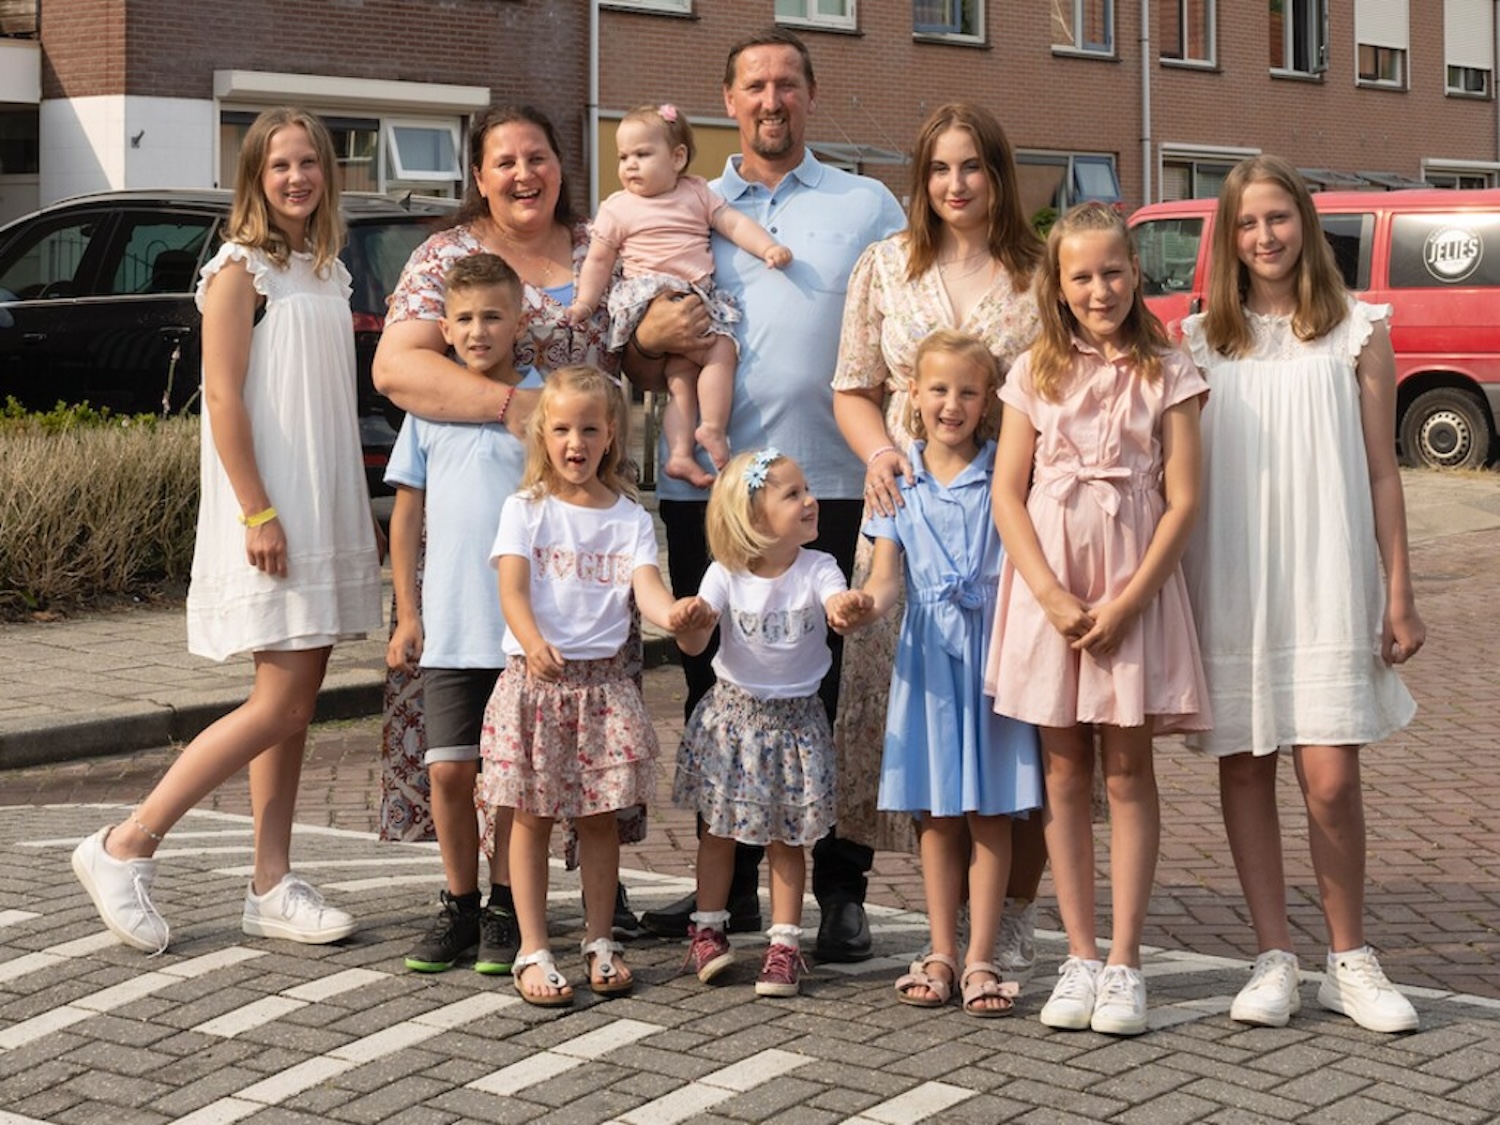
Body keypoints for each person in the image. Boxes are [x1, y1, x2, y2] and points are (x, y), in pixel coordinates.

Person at [71, 107, 382, 952]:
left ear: (327, 173)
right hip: (271, 509)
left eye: (308, 163)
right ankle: (126, 842)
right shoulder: (240, 270)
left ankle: (270, 883)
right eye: (280, 165)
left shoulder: (327, 270)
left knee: (294, 707)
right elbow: (222, 397)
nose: (296, 178)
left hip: (320, 505)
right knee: (280, 702)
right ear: (254, 177)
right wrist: (258, 509)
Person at [633, 26, 906, 962]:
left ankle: (840, 890)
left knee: (837, 696)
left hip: (836, 483)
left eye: (788, 83)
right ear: (729, 101)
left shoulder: (865, 203)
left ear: (811, 96)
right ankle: (732, 885)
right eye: (754, 85)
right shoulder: (683, 202)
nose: (772, 99)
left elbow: (900, 331)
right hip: (713, 496)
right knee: (716, 686)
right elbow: (638, 351)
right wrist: (645, 339)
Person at [373, 104, 641, 935]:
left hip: (582, 545)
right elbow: (395, 368)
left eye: (538, 157)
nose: (524, 174)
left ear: (561, 165)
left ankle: (591, 896)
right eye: (504, 161)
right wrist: (511, 407)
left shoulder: (605, 243)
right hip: (468, 575)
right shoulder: (446, 257)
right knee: (472, 756)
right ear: (479, 177)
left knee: (578, 732)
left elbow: (648, 337)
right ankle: (478, 900)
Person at [1182, 155, 1424, 1034]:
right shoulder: (1199, 342)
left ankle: (1348, 959)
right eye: (1247, 223)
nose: (1265, 236)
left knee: (1329, 775)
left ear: (1306, 224)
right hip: (1234, 575)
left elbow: (1383, 472)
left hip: (1327, 574)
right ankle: (1273, 955)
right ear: (1228, 238)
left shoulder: (1359, 330)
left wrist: (1400, 591)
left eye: (1278, 217)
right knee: (1246, 763)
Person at [829, 102, 1048, 980]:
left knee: (1020, 734)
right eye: (940, 168)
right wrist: (881, 452)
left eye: (973, 166)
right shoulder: (886, 265)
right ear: (921, 179)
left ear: (998, 173)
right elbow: (852, 386)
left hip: (1011, 526)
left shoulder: (1038, 273)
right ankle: (942, 933)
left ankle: (1011, 918)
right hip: (910, 516)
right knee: (920, 732)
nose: (956, 185)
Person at [989, 202, 1211, 1036]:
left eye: (1113, 271)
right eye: (1080, 275)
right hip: (1053, 594)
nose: (1099, 289)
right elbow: (1008, 493)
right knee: (1062, 771)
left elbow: (1184, 499)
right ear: (1057, 282)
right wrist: (1049, 594)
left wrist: (1131, 601)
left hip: (1129, 590)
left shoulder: (1170, 369)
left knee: (1126, 769)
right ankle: (1078, 954)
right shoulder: (1033, 370)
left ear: (1135, 272)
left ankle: (1124, 960)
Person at [829, 330, 1042, 1017]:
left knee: (991, 809)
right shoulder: (900, 481)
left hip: (992, 656)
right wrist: (864, 606)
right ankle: (942, 948)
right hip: (927, 658)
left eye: (968, 391)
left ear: (989, 400)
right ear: (913, 396)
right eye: (939, 390)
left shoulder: (1006, 471)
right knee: (938, 811)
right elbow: (887, 580)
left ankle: (982, 955)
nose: (952, 404)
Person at [482, 366, 707, 1007]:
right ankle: (533, 948)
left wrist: (675, 615)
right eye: (561, 429)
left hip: (604, 690)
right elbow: (512, 589)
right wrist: (532, 642)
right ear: (542, 435)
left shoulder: (629, 517)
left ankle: (600, 939)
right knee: (531, 818)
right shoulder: (525, 510)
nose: (574, 442)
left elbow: (648, 590)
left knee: (599, 820)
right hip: (536, 684)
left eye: (588, 429)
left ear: (611, 435)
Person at [385, 255, 538, 974]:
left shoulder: (543, 405)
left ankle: (506, 903)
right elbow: (406, 513)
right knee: (449, 772)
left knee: (509, 778)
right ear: (444, 329)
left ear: (520, 322)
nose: (479, 331)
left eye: (493, 316)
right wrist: (406, 614)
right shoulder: (430, 408)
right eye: (465, 319)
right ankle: (460, 901)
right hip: (449, 624)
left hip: (520, 633)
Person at [672, 449, 846, 998]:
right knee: (718, 831)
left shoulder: (819, 566)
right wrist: (690, 623)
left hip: (795, 723)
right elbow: (696, 642)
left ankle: (785, 944)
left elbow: (836, 601)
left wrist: (847, 607)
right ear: (753, 516)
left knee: (786, 837)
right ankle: (708, 929)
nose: (810, 501)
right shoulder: (725, 573)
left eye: (807, 489)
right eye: (793, 494)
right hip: (735, 721)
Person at [567, 104, 791, 485]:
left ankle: (682, 453)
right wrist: (585, 302)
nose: (630, 165)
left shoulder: (696, 193)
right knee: (721, 349)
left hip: (695, 297)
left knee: (681, 383)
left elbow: (735, 224)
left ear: (677, 158)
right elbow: (598, 260)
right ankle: (713, 428)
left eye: (642, 154)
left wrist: (767, 247)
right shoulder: (618, 207)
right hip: (648, 296)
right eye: (623, 157)